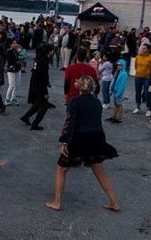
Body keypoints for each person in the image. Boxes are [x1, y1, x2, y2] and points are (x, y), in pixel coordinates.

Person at [45, 76, 120, 211]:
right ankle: (114, 202)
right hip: (97, 138)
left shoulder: (75, 101)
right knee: (100, 171)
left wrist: (64, 141)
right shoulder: (97, 102)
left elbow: (69, 122)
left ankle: (57, 202)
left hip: (80, 138)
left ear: (79, 87)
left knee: (61, 169)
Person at [20, 44, 55, 130]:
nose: (53, 52)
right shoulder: (43, 62)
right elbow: (42, 76)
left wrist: (47, 82)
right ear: (49, 51)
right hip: (38, 85)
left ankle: (26, 117)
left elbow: (40, 74)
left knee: (38, 103)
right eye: (52, 50)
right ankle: (35, 124)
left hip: (34, 83)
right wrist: (45, 92)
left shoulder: (39, 58)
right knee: (44, 106)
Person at [133, 45, 151, 116]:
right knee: (137, 92)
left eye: (145, 48)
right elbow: (136, 66)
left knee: (147, 93)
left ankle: (148, 108)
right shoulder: (138, 57)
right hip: (138, 76)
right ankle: (138, 107)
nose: (143, 49)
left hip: (147, 78)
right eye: (142, 48)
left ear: (148, 50)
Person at [106, 60, 128, 124]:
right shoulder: (118, 72)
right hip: (115, 90)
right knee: (116, 105)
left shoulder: (124, 74)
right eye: (117, 65)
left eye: (120, 65)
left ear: (123, 65)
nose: (118, 66)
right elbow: (114, 81)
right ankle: (114, 116)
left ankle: (119, 118)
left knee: (119, 104)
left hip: (119, 92)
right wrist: (111, 89)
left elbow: (122, 85)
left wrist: (119, 93)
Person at [4, 39, 22, 106]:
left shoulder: (15, 51)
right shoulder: (9, 52)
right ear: (10, 44)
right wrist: (18, 63)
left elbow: (18, 59)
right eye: (14, 43)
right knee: (11, 85)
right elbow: (10, 62)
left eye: (16, 43)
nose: (15, 44)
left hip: (17, 69)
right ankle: (7, 99)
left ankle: (13, 98)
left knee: (16, 85)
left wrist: (18, 51)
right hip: (11, 70)